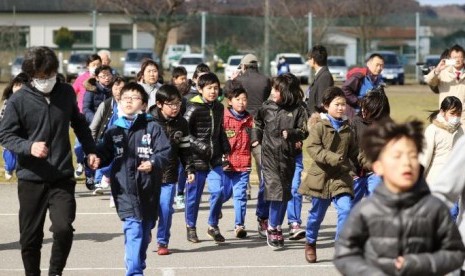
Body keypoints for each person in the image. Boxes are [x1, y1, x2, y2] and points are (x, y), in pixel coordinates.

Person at [0, 46, 100, 276]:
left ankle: (55, 272)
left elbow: (79, 123)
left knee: (64, 229)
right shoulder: (19, 100)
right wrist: (29, 146)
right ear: (31, 75)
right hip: (31, 178)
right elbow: (5, 134)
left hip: (61, 175)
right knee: (30, 237)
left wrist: (91, 150)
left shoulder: (65, 92)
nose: (46, 80)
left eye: (50, 74)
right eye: (40, 76)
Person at [334, 120, 465, 275]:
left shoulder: (434, 208)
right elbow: (344, 255)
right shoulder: (366, 210)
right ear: (378, 166)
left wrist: (420, 263)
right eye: (397, 156)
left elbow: (455, 253)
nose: (407, 163)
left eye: (413, 156)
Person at [97, 82, 171, 275]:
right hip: (124, 190)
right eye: (125, 98)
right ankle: (134, 272)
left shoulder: (152, 127)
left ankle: (137, 262)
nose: (129, 101)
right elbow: (103, 155)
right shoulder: (114, 131)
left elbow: (165, 151)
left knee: (145, 233)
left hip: (148, 189)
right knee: (134, 229)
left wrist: (153, 162)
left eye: (135, 97)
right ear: (119, 102)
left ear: (144, 104)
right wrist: (93, 158)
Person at [298, 87, 362, 262]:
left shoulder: (348, 128)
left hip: (341, 178)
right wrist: (333, 157)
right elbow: (312, 148)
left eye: (343, 104)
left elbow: (355, 153)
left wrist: (373, 164)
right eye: (337, 104)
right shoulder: (319, 126)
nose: (341, 108)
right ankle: (310, 242)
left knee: (346, 209)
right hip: (321, 178)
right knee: (316, 216)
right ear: (326, 106)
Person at [251, 73, 308, 249]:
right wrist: (256, 138)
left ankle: (277, 226)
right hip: (268, 157)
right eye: (274, 88)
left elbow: (305, 131)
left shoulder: (299, 109)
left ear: (287, 92)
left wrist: (291, 134)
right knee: (275, 193)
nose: (273, 92)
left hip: (288, 157)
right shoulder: (267, 107)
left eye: (277, 89)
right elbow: (257, 122)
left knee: (285, 194)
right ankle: (272, 227)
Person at [183, 72, 231, 243]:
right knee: (193, 197)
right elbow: (183, 134)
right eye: (209, 88)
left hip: (215, 159)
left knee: (218, 191)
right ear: (200, 89)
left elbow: (220, 131)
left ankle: (213, 225)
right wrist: (200, 146)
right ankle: (191, 227)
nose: (213, 91)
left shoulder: (219, 107)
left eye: (216, 88)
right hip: (196, 161)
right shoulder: (192, 107)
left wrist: (226, 147)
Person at [149, 84, 195, 255]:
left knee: (166, 208)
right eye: (171, 104)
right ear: (160, 104)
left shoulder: (182, 123)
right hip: (149, 174)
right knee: (149, 210)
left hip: (169, 173)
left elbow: (185, 149)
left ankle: (162, 241)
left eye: (178, 104)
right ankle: (147, 230)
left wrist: (190, 169)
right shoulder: (148, 120)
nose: (175, 108)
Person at [224, 53, 272, 201]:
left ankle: (245, 189)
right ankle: (264, 188)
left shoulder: (238, 80)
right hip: (260, 122)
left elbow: (227, 93)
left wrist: (232, 80)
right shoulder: (266, 79)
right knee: (260, 159)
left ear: (244, 66)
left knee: (241, 155)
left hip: (241, 121)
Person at [420, 96, 463, 221]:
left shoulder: (460, 132)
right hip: (434, 185)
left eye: (459, 114)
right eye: (452, 113)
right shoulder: (432, 130)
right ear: (442, 112)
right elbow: (424, 159)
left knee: (452, 219)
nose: (456, 117)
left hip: (454, 187)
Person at [222, 81, 253, 239]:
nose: (241, 102)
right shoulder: (224, 118)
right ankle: (216, 210)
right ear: (230, 101)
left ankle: (239, 225)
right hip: (227, 164)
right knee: (224, 194)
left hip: (244, 164)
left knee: (240, 195)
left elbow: (255, 139)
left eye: (244, 99)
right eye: (238, 99)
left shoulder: (250, 119)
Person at [351, 86, 391, 206]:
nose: (363, 110)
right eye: (363, 107)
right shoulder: (356, 122)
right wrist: (351, 172)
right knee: (349, 208)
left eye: (367, 109)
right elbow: (350, 149)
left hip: (375, 172)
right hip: (356, 172)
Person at [89, 76, 125, 196]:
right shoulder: (106, 105)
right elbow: (94, 125)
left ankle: (107, 181)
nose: (119, 91)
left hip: (124, 140)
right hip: (105, 139)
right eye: (116, 87)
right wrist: (91, 143)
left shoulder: (130, 104)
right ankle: (99, 181)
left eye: (122, 88)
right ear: (111, 89)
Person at [72, 54, 102, 179]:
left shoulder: (103, 79)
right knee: (79, 145)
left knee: (95, 145)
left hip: (98, 117)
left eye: (98, 65)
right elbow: (72, 93)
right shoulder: (81, 78)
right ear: (88, 66)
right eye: (93, 65)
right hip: (82, 117)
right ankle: (80, 162)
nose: (96, 67)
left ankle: (93, 174)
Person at [425, 44, 465, 128]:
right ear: (449, 59)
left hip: (463, 118)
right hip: (446, 117)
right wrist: (437, 70)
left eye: (459, 57)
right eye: (454, 57)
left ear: (464, 58)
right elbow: (429, 81)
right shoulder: (443, 73)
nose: (457, 60)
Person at [1, 73, 29, 180]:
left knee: (23, 156)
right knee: (10, 158)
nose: (18, 88)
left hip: (24, 134)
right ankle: (9, 168)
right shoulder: (8, 102)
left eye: (21, 85)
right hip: (9, 133)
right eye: (16, 85)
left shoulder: (31, 101)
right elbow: (2, 116)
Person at [342, 53, 385, 120]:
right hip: (355, 115)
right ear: (368, 64)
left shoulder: (379, 80)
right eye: (377, 65)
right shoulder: (359, 76)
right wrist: (358, 102)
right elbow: (345, 90)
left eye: (382, 65)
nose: (379, 68)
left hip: (370, 116)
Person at [305, 44, 334, 115]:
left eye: (309, 58)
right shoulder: (320, 75)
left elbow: (322, 103)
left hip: (317, 120)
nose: (308, 61)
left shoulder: (325, 76)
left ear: (313, 59)